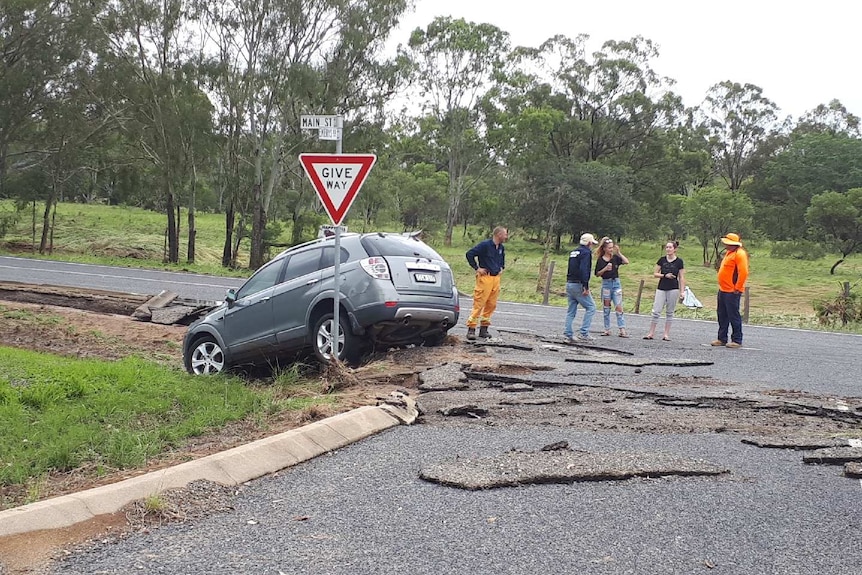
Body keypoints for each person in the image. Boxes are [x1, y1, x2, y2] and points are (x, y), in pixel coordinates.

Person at [464, 226, 508, 340]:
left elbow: (502, 259)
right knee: (479, 303)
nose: (506, 237)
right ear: (499, 235)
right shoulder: (485, 245)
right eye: (505, 234)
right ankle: (471, 329)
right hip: (485, 278)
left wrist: (501, 267)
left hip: (495, 278)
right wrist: (477, 268)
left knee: (491, 304)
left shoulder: (501, 247)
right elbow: (469, 254)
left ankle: (484, 329)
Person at [712, 232, 749, 348]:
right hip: (723, 289)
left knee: (733, 315)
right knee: (722, 315)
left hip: (732, 291)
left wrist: (737, 288)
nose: (725, 245)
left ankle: (737, 340)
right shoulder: (729, 253)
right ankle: (722, 338)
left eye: (727, 243)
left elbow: (743, 272)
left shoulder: (740, 254)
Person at [644, 240, 686, 341]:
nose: (668, 249)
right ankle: (651, 333)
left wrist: (682, 291)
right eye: (667, 247)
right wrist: (664, 275)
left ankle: (666, 334)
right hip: (661, 287)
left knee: (669, 311)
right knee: (656, 310)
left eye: (670, 247)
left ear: (675, 249)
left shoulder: (679, 262)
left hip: (673, 288)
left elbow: (681, 277)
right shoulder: (662, 260)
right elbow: (655, 273)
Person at [563, 233, 599, 342]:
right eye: (592, 243)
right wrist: (585, 286)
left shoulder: (573, 252)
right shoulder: (586, 253)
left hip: (569, 283)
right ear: (589, 243)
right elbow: (584, 269)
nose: (592, 245)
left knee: (571, 310)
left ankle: (568, 333)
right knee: (591, 307)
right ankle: (584, 332)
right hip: (578, 284)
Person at [594, 237, 629, 338]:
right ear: (604, 249)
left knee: (618, 306)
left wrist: (619, 253)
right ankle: (607, 329)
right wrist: (605, 269)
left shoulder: (615, 258)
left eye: (612, 247)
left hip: (616, 283)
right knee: (606, 307)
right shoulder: (600, 260)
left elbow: (626, 262)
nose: (611, 249)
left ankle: (622, 329)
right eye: (609, 248)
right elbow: (597, 274)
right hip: (606, 284)